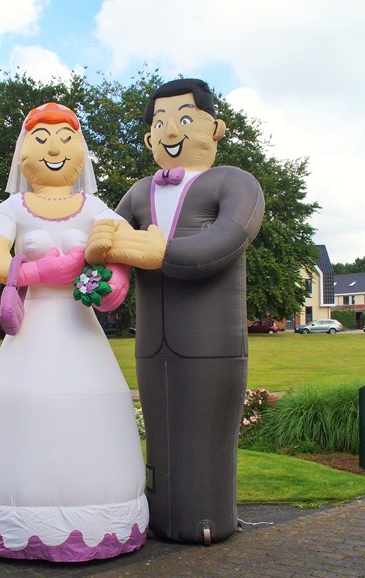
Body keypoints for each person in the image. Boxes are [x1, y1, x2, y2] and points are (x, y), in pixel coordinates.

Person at [86, 79, 265, 545]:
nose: (171, 131)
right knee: (161, 431)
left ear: (215, 128)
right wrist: (101, 254)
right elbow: (111, 250)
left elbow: (224, 241)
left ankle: (208, 516)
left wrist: (157, 251)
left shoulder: (234, 182)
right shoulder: (138, 193)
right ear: (150, 137)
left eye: (185, 118)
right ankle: (161, 514)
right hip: (153, 342)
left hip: (211, 343)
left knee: (205, 431)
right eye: (161, 122)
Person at [0, 102, 148, 562]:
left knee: (93, 409)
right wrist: (37, 272)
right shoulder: (12, 207)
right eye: (43, 138)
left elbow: (122, 246)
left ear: (80, 151)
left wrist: (115, 283)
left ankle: (103, 518)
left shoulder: (95, 208)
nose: (54, 148)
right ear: (24, 151)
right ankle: (16, 521)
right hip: (30, 331)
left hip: (80, 327)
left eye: (66, 139)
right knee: (23, 410)